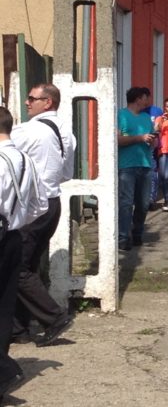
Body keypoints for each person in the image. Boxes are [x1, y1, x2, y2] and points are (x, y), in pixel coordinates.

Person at [11, 83, 76, 347]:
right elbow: (66, 174)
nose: (27, 103)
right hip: (52, 204)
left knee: (17, 268)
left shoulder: (29, 130)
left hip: (32, 207)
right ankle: (19, 328)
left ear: (47, 102)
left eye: (31, 98)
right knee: (29, 265)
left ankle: (54, 317)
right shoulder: (66, 134)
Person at [1, 106, 48, 402]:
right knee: (4, 307)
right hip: (13, 237)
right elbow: (40, 204)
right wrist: (17, 221)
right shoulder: (25, 160)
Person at [117, 87, 156, 251]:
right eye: (146, 97)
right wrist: (140, 138)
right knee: (126, 203)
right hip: (127, 165)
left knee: (144, 203)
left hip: (145, 164)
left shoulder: (147, 118)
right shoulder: (121, 115)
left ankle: (137, 232)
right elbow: (118, 140)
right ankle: (123, 237)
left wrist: (152, 141)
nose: (148, 101)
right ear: (139, 98)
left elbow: (153, 140)